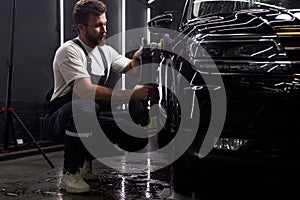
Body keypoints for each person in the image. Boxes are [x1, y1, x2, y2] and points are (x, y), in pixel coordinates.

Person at [43, 0, 151, 194]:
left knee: (136, 135)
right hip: (58, 119)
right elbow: (84, 91)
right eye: (98, 25)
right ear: (81, 27)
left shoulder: (105, 51)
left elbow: (132, 69)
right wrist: (131, 95)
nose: (103, 30)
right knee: (85, 106)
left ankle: (85, 163)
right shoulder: (69, 51)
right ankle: (70, 173)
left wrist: (140, 56)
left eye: (105, 24)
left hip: (87, 112)